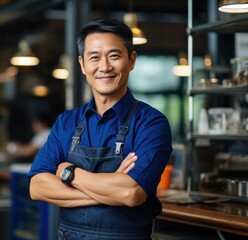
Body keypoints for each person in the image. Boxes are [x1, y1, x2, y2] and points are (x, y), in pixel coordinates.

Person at [28, 18, 172, 240]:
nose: (104, 67)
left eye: (114, 56)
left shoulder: (151, 123)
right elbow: (37, 187)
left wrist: (70, 173)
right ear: (82, 64)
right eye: (94, 57)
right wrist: (111, 188)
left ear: (131, 60)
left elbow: (131, 192)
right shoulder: (66, 122)